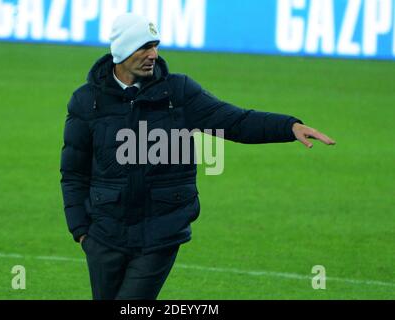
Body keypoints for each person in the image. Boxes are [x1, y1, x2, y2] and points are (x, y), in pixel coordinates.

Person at [60, 13, 335, 300]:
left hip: (160, 231)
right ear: (122, 50)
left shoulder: (178, 93)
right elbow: (73, 172)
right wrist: (81, 231)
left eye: (155, 45)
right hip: (105, 235)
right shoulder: (86, 101)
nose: (153, 54)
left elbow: (235, 121)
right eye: (144, 47)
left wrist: (288, 126)